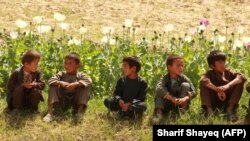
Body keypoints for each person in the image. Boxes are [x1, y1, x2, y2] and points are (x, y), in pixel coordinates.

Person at [43, 52, 92, 122]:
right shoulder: (61, 74)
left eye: (70, 63)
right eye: (65, 63)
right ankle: (50, 113)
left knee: (84, 87)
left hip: (75, 102)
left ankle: (79, 112)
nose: (67, 66)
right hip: (62, 101)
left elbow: (89, 81)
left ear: (78, 65)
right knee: (53, 86)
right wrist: (60, 82)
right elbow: (51, 80)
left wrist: (76, 84)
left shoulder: (81, 75)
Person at [200, 50, 246, 122]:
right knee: (204, 84)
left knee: (239, 82)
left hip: (228, 101)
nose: (223, 64)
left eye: (224, 61)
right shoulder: (209, 74)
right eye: (220, 62)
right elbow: (203, 80)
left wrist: (227, 86)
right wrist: (217, 89)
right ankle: (209, 111)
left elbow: (242, 77)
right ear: (212, 66)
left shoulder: (229, 72)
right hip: (214, 101)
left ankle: (230, 110)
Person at [153, 54, 196, 124]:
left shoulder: (183, 77)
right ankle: (159, 115)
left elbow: (194, 91)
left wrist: (185, 98)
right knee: (159, 92)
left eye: (182, 66)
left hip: (179, 102)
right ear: (169, 67)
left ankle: (183, 112)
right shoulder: (165, 78)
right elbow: (158, 88)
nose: (181, 68)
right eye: (178, 65)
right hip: (167, 103)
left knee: (186, 85)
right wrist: (172, 98)